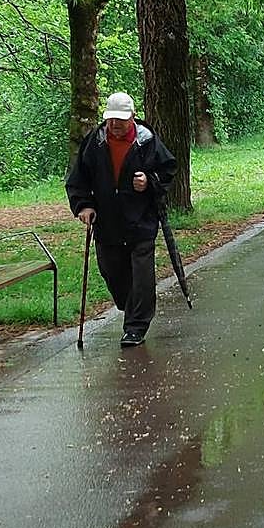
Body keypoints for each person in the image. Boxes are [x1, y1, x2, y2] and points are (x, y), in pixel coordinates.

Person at [66, 91, 177, 347]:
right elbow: (78, 179)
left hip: (141, 221)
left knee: (141, 276)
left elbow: (168, 169)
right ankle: (130, 306)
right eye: (111, 119)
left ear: (132, 117)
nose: (115, 124)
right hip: (107, 222)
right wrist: (83, 205)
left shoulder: (146, 140)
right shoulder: (95, 141)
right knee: (112, 272)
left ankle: (135, 327)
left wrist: (149, 181)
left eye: (121, 119)